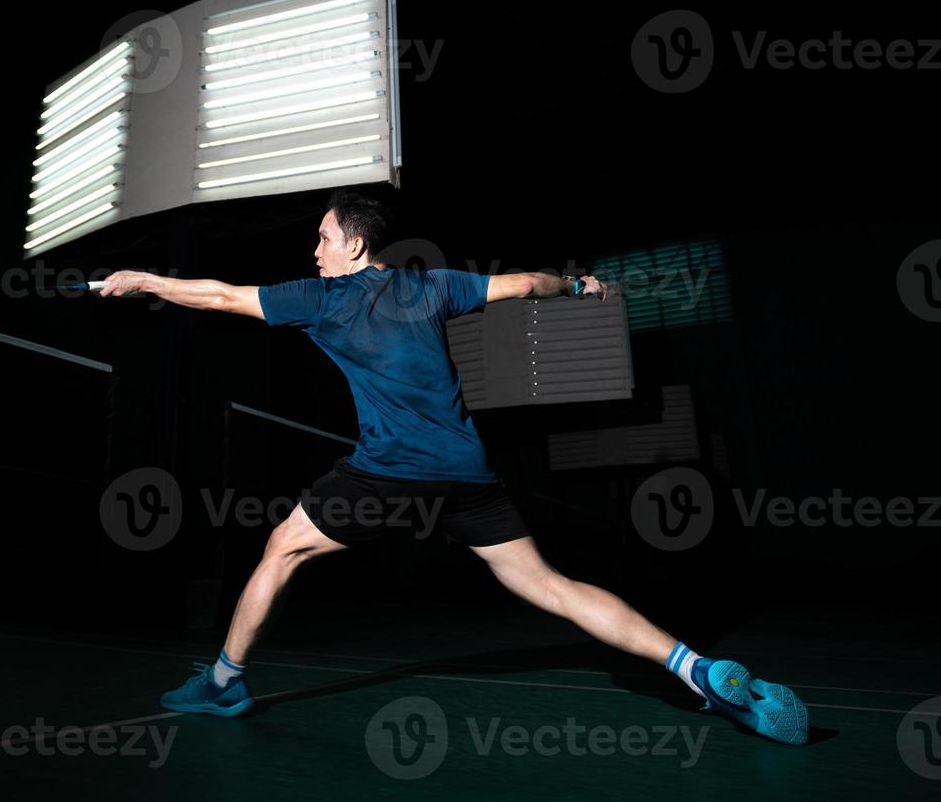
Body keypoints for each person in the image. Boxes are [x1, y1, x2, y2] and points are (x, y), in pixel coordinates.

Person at [98, 188, 809, 746]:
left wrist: (145, 279)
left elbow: (220, 295)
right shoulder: (430, 286)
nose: (313, 250)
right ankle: (695, 670)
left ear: (352, 241)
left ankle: (224, 683)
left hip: (388, 472)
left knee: (279, 550)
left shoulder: (318, 300)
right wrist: (577, 286)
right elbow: (526, 284)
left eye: (321, 237)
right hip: (465, 473)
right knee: (550, 587)